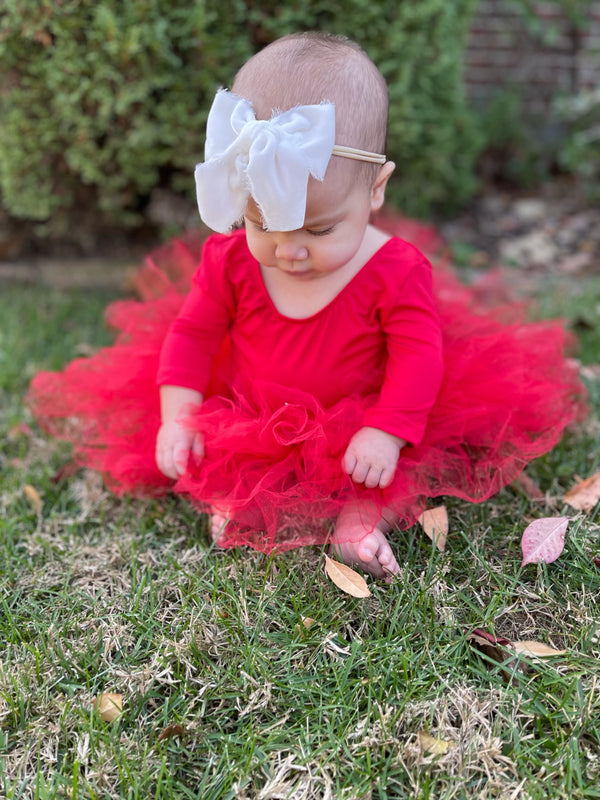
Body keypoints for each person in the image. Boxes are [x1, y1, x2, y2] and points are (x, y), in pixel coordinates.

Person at [28, 32, 586, 580]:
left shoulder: (394, 270)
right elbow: (192, 335)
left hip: (363, 417)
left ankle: (360, 526)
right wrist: (178, 417)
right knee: (219, 452)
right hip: (256, 413)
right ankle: (237, 501)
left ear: (375, 189)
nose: (288, 249)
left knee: (387, 470)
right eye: (262, 222)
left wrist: (386, 431)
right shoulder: (230, 261)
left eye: (317, 228)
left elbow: (417, 357)